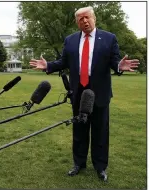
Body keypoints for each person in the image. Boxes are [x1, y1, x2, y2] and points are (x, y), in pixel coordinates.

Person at [29, 6, 139, 182]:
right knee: (79, 130)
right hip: (78, 93)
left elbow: (115, 61)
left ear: (94, 18)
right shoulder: (70, 40)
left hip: (100, 94)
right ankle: (78, 163)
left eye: (87, 17)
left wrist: (119, 66)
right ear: (77, 22)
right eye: (80, 19)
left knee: (100, 131)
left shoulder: (109, 39)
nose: (85, 21)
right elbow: (63, 61)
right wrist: (48, 66)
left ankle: (100, 167)